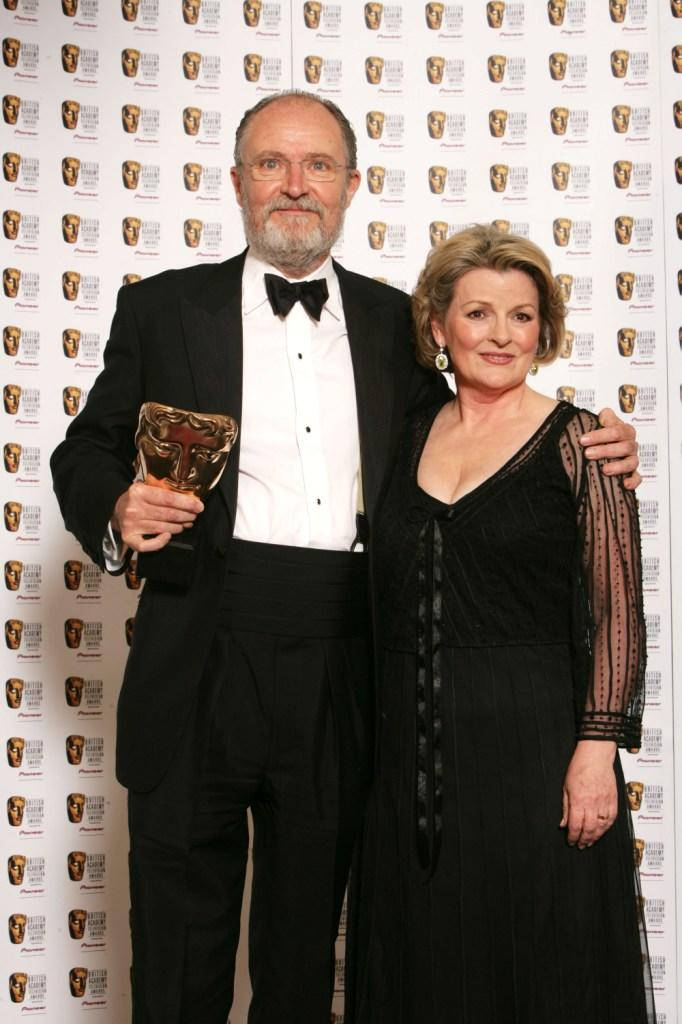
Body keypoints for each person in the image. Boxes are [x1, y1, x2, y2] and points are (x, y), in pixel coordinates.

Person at [50, 94, 639, 1024]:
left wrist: (600, 449)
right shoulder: (160, 308)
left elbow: (483, 419)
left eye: (318, 165)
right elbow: (83, 452)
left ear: (352, 186)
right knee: (175, 949)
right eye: (273, 164)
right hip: (199, 640)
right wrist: (117, 507)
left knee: (301, 955)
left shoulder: (397, 324)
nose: (295, 184)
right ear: (238, 182)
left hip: (343, 656)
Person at [347, 225, 653, 1024]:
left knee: (541, 964)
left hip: (535, 751)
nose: (501, 334)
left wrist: (596, 751)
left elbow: (618, 608)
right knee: (429, 966)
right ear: (439, 325)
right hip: (413, 759)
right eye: (479, 313)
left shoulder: (584, 444)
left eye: (522, 316)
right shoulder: (404, 432)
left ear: (544, 330)